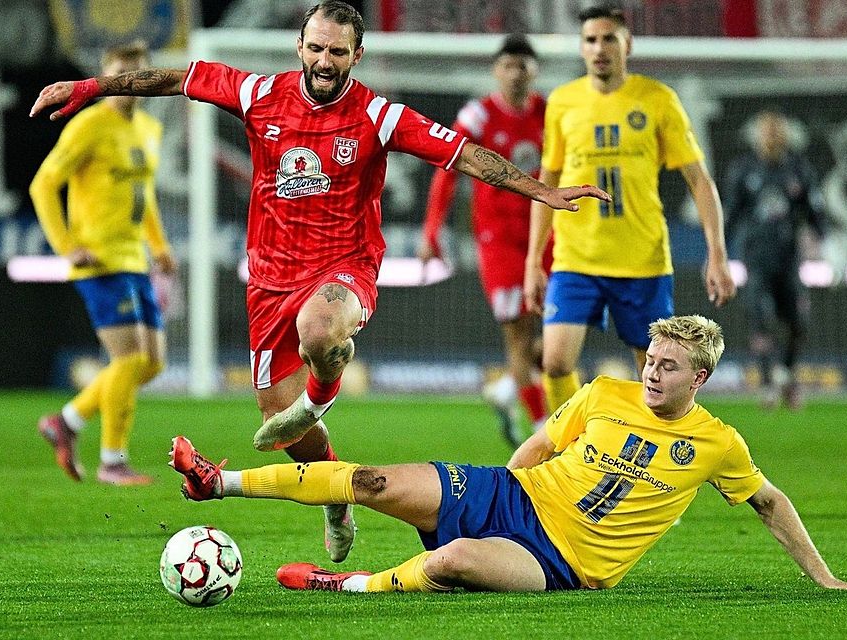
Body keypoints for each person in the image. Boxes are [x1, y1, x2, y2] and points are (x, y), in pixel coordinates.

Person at [31, 1, 608, 562]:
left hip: (343, 271)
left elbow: (466, 157)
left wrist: (545, 193)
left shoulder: (377, 117)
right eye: (315, 48)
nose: (324, 61)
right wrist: (88, 89)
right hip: (268, 282)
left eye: (337, 51)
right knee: (286, 435)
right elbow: (173, 78)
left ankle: (318, 396)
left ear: (357, 54)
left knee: (319, 329)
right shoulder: (260, 94)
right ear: (299, 47)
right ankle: (334, 499)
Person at [169, 314, 847, 593]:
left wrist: (826, 580)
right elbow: (538, 443)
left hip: (564, 562)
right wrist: (494, 494)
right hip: (513, 497)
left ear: (699, 379)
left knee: (451, 560)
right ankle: (217, 482)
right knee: (372, 481)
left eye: (669, 367)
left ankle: (345, 584)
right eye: (650, 361)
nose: (652, 374)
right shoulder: (605, 393)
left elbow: (770, 504)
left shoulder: (717, 444)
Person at [524, 3, 736, 416]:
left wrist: (718, 253)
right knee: (554, 362)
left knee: (653, 377)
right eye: (590, 40)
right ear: (581, 48)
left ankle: (648, 461)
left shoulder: (657, 100)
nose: (599, 48)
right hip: (576, 258)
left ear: (628, 44)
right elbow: (546, 186)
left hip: (641, 260)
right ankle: (577, 447)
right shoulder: (563, 103)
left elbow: (698, 180)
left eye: (608, 38)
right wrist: (534, 259)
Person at [30, 41, 176, 486]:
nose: (127, 86)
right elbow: (44, 184)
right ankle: (112, 462)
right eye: (119, 75)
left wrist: (159, 243)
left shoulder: (149, 128)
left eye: (136, 76)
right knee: (129, 358)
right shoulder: (89, 125)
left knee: (151, 364)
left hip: (134, 258)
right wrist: (67, 245)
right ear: (105, 76)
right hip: (99, 259)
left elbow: (142, 192)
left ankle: (68, 421)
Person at [417, 34, 549, 447]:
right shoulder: (478, 116)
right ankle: (545, 429)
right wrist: (432, 229)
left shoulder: (550, 113)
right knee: (518, 335)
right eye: (508, 65)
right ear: (496, 71)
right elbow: (447, 167)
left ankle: (509, 390)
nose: (515, 73)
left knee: (551, 339)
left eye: (523, 65)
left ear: (534, 72)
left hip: (546, 237)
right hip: (499, 240)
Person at [723, 110, 829, 410]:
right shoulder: (743, 170)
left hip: (789, 259)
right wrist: (717, 254)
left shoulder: (798, 170)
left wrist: (826, 242)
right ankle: (769, 384)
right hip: (756, 259)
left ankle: (787, 374)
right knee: (760, 320)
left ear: (783, 136)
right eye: (765, 132)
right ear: (757, 136)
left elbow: (815, 211)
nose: (770, 138)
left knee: (798, 322)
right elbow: (730, 216)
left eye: (775, 132)